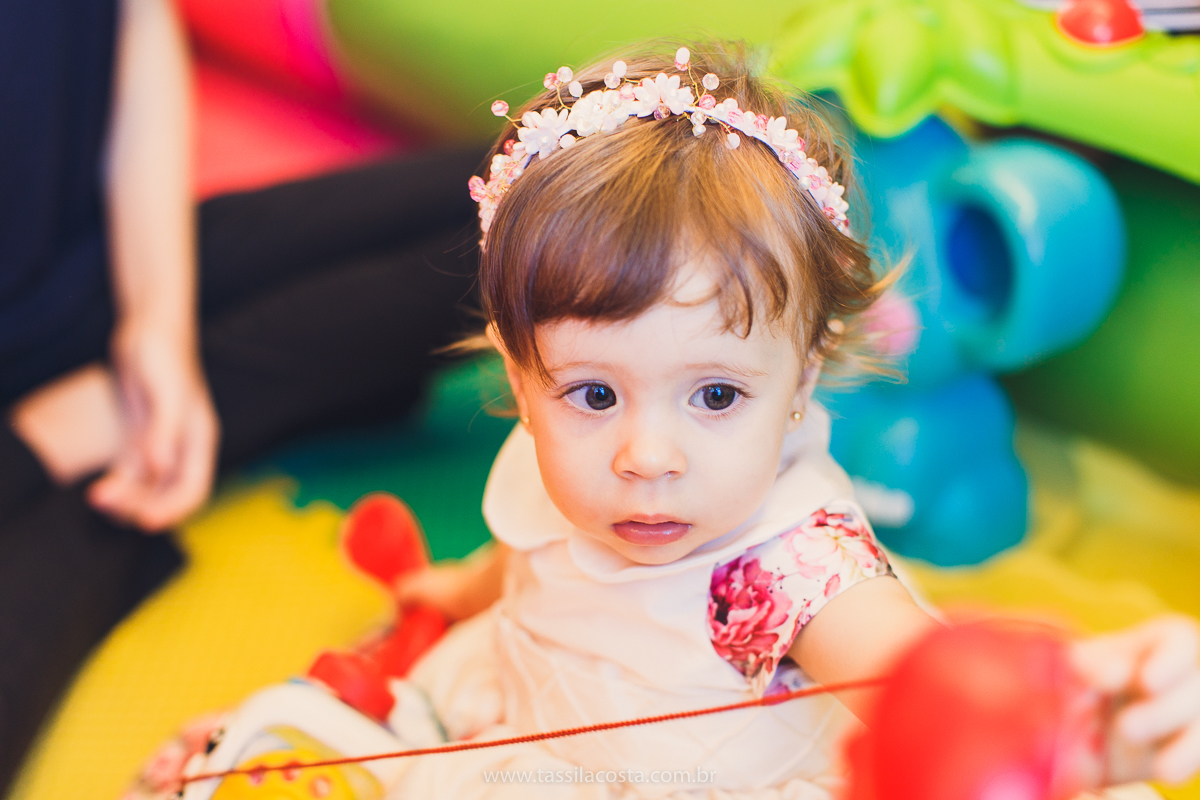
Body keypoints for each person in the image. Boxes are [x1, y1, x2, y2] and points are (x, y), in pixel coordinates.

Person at [127, 41, 1200, 799]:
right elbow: (527, 550)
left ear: (803, 381)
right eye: (593, 394)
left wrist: (1079, 718)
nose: (647, 457)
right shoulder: (564, 461)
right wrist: (449, 595)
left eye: (717, 395)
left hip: (697, 776)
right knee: (319, 731)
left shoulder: (782, 567)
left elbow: (921, 678)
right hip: (535, 710)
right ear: (519, 374)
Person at [0, 0, 484, 789]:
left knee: (544, 191)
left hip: (94, 268)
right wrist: (36, 444)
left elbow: (133, 20)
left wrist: (156, 325)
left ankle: (177, 414)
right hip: (27, 435)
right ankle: (163, 430)